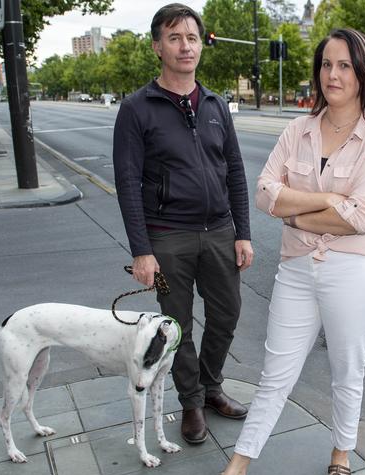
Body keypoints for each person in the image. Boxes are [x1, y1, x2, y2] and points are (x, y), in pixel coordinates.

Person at [212, 28, 365, 475]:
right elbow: (263, 193)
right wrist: (331, 200)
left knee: (346, 370)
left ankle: (341, 458)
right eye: (326, 64)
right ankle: (237, 469)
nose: (332, 74)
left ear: (363, 73)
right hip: (296, 270)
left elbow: (362, 218)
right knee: (275, 374)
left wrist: (294, 215)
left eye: (344, 65)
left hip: (355, 271)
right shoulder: (298, 130)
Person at [113, 3, 254, 445]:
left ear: (201, 45)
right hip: (167, 236)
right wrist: (142, 250)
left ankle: (211, 387)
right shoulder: (137, 108)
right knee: (177, 325)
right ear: (158, 46)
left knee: (227, 313)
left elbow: (234, 170)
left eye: (192, 37)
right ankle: (191, 402)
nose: (185, 46)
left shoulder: (215, 104)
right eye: (174, 38)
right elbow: (128, 183)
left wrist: (243, 232)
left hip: (219, 231)